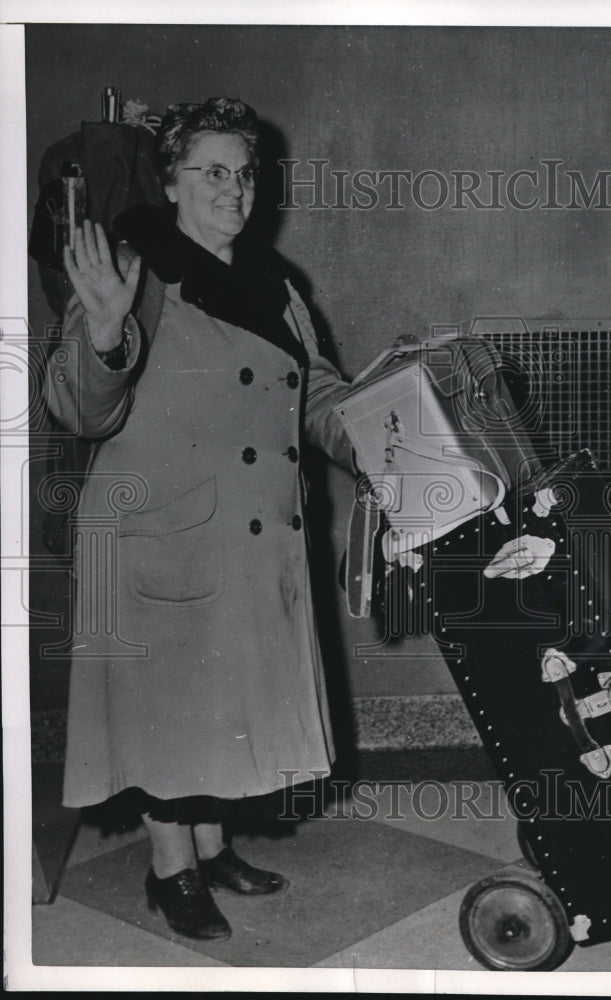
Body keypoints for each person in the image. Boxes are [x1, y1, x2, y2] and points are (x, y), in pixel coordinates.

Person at [46, 97, 355, 942]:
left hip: (250, 542)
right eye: (212, 172)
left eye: (245, 172)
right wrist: (105, 331)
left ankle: (211, 845)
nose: (235, 189)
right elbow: (76, 408)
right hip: (164, 538)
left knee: (222, 706)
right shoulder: (131, 268)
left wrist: (383, 428)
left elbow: (317, 392)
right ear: (171, 184)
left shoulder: (275, 285)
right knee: (172, 714)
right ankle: (170, 870)